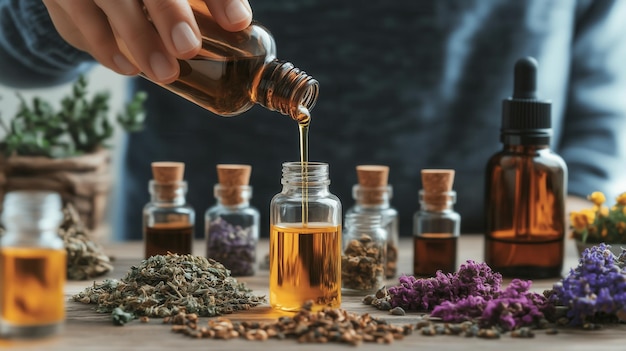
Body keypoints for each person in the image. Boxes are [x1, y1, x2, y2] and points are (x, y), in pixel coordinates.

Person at [1, 0, 625, 241]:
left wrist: (570, 212)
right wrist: (65, 17)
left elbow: (604, 85)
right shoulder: (245, 67)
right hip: (185, 268)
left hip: (480, 268)